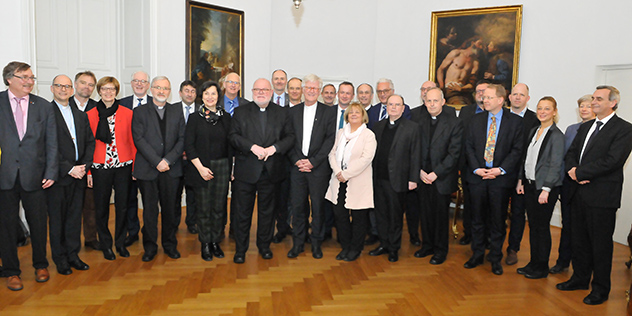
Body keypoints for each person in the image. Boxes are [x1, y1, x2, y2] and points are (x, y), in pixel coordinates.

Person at [557, 85, 632, 305]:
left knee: (600, 245)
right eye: (593, 98)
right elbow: (571, 153)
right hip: (578, 193)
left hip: (602, 197)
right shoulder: (586, 126)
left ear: (613, 103)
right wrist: (573, 172)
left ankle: (600, 289)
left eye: (599, 99)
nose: (594, 102)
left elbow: (613, 160)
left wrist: (580, 172)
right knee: (579, 240)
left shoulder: (624, 129)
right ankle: (580, 279)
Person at [0, 61, 58, 291]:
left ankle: (40, 265)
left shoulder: (43, 106)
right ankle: (12, 271)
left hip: (36, 176)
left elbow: (52, 143)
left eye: (31, 77)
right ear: (9, 79)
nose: (29, 81)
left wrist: (51, 171)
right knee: (6, 226)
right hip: (4, 176)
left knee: (37, 223)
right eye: (23, 77)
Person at [229, 78, 295, 264]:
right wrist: (251, 147)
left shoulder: (282, 113)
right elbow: (233, 136)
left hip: (271, 171)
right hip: (246, 171)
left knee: (268, 212)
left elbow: (290, 137)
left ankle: (264, 247)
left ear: (271, 91)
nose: (261, 92)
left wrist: (274, 148)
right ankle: (240, 250)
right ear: (251, 91)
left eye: (264, 89)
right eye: (257, 89)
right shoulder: (241, 112)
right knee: (243, 212)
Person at [463, 84, 523, 276]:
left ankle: (495, 258)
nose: (484, 100)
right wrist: (477, 169)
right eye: (483, 97)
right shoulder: (475, 120)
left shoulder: (515, 122)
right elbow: (469, 146)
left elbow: (517, 150)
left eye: (488, 97)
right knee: (477, 219)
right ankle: (477, 254)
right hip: (478, 177)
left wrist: (500, 170)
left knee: (498, 221)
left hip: (500, 179)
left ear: (500, 99)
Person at [132, 76, 185, 262]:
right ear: (151, 89)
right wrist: (157, 161)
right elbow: (138, 140)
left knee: (170, 210)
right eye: (158, 87)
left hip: (171, 169)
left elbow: (182, 139)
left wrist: (168, 160)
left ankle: (170, 245)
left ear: (169, 92)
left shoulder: (177, 111)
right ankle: (150, 247)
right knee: (149, 211)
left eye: (165, 88)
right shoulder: (139, 112)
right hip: (148, 169)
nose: (161, 91)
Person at [47, 75, 95, 275]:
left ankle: (73, 254)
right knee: (58, 219)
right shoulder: (45, 113)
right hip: (58, 176)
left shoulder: (80, 115)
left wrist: (84, 166)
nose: (64, 89)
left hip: (79, 174)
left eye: (67, 86)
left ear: (72, 88)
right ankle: (60, 259)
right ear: (52, 89)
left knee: (74, 217)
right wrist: (69, 168)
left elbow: (90, 142)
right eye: (59, 86)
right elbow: (47, 147)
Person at [286, 74, 336, 259]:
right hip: (297, 167)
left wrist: (313, 161)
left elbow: (330, 140)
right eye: (308, 88)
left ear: (320, 91)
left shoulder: (329, 112)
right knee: (298, 207)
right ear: (303, 90)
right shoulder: (292, 112)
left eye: (315, 88)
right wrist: (297, 160)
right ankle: (298, 244)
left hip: (318, 168)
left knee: (318, 207)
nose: (311, 91)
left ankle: (316, 244)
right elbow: (289, 139)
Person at [514, 96, 564, 279]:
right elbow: (526, 159)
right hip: (529, 185)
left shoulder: (557, 136)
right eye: (540, 108)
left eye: (547, 109)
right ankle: (533, 263)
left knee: (541, 228)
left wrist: (547, 189)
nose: (542, 112)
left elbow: (555, 164)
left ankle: (541, 267)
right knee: (533, 226)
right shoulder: (534, 131)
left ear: (554, 112)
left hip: (545, 189)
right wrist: (520, 180)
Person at [86, 76, 135, 261]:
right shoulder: (90, 114)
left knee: (122, 207)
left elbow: (132, 142)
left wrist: (134, 167)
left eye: (112, 89)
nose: (108, 92)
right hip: (100, 167)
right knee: (101, 208)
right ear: (99, 91)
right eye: (105, 89)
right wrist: (89, 171)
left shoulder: (127, 113)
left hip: (123, 166)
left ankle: (120, 243)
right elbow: (87, 145)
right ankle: (106, 245)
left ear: (117, 92)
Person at [413, 87, 462, 265]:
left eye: (435, 101)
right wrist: (419, 170)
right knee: (424, 214)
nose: (432, 104)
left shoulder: (454, 123)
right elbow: (415, 148)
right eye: (428, 101)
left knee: (440, 216)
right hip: (422, 176)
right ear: (424, 102)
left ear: (443, 102)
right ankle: (427, 245)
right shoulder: (419, 121)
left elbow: (454, 154)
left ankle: (441, 250)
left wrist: (436, 173)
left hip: (441, 177)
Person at [369, 94, 420, 262]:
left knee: (395, 216)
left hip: (398, 179)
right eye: (390, 104)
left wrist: (413, 179)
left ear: (403, 108)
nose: (393, 107)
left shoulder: (412, 128)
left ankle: (393, 247)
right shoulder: (378, 126)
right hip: (378, 178)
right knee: (381, 214)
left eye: (397, 105)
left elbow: (415, 155)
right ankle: (383, 243)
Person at [184, 81, 232, 261]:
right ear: (201, 96)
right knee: (204, 208)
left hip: (222, 167)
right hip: (201, 167)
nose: (210, 97)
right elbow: (189, 146)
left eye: (213, 93)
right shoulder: (195, 118)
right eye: (206, 94)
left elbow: (230, 144)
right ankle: (205, 243)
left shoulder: (226, 118)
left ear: (218, 96)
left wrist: (231, 168)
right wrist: (200, 168)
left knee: (219, 206)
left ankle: (215, 241)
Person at [325, 102, 377, 261]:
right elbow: (332, 154)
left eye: (357, 112)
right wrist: (338, 172)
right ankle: (345, 246)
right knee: (340, 215)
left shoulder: (368, 135)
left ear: (363, 116)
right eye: (351, 112)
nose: (354, 114)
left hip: (358, 181)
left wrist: (346, 173)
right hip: (338, 180)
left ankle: (356, 248)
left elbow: (366, 158)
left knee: (359, 217)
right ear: (346, 115)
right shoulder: (341, 133)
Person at [550, 94, 595, 274]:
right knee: (567, 225)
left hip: (588, 185)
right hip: (569, 184)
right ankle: (563, 261)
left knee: (586, 228)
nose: (584, 109)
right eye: (581, 106)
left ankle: (585, 265)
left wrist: (583, 174)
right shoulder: (571, 129)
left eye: (588, 106)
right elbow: (565, 156)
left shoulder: (600, 130)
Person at [505, 83, 539, 266]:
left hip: (523, 176)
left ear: (528, 98)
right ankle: (493, 245)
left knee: (518, 213)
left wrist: (521, 176)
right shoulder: (499, 115)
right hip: (501, 173)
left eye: (522, 95)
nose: (517, 97)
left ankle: (513, 249)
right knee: (496, 211)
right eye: (515, 94)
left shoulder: (535, 119)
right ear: (509, 97)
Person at [119, 71, 153, 248]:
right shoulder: (121, 104)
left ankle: (149, 231)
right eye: (136, 81)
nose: (139, 84)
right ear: (131, 83)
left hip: (148, 161)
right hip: (126, 160)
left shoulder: (156, 104)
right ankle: (132, 232)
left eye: (143, 81)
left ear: (148, 85)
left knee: (149, 200)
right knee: (129, 198)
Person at [456, 80, 490, 246]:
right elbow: (462, 139)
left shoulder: (498, 114)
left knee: (488, 205)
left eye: (484, 91)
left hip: (491, 169)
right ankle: (468, 233)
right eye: (478, 91)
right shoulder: (466, 111)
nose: (481, 94)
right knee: (469, 203)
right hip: (469, 166)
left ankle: (486, 236)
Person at [69, 71, 100, 250]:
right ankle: (68, 243)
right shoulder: (62, 105)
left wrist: (88, 167)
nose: (86, 87)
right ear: (75, 84)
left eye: (90, 85)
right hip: (66, 167)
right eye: (83, 83)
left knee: (90, 205)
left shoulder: (98, 108)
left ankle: (90, 238)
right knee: (69, 208)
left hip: (89, 164)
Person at [173, 80, 199, 234]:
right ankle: (174, 223)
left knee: (193, 193)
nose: (190, 94)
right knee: (175, 193)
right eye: (187, 90)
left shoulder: (202, 110)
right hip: (175, 160)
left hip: (193, 161)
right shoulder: (172, 109)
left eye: (193, 91)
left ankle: (192, 222)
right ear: (180, 93)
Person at [437, 37, 483, 106]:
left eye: (482, 46)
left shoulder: (475, 62)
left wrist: (461, 89)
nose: (481, 47)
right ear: (472, 42)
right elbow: (440, 69)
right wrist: (441, 86)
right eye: (479, 44)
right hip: (450, 89)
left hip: (463, 91)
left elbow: (472, 83)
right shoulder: (456, 53)